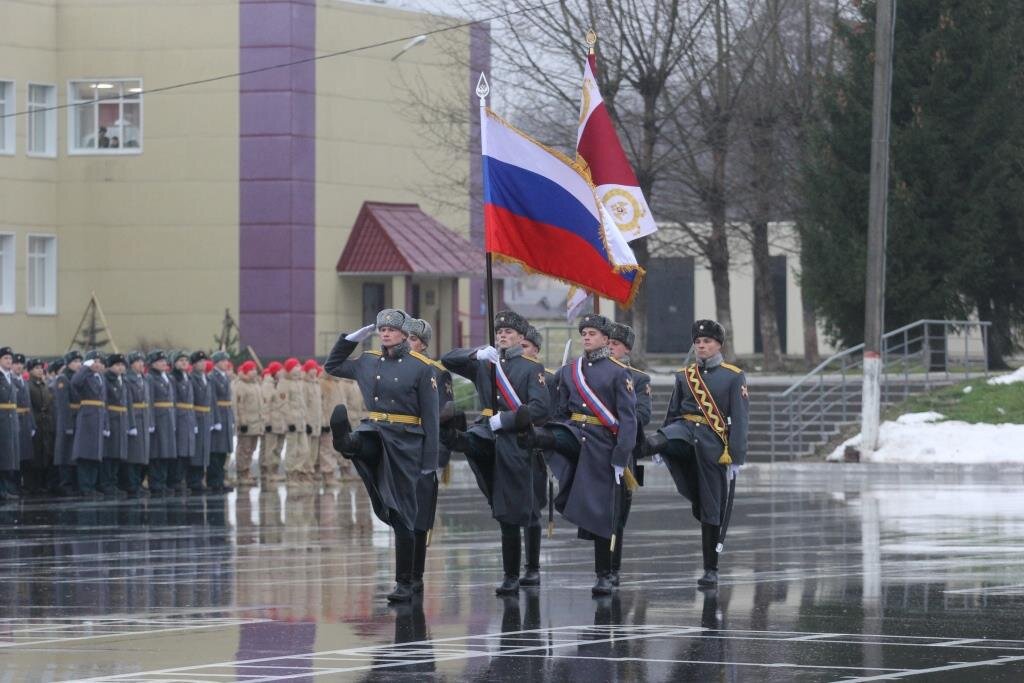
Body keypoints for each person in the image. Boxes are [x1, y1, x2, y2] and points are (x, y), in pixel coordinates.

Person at [324, 308, 439, 603]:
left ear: (404, 334)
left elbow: (432, 420)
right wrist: (350, 339)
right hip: (376, 431)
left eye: (391, 329)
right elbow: (333, 366)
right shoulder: (368, 361)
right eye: (381, 329)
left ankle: (406, 581)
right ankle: (345, 441)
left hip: (406, 443)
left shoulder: (421, 367)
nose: (385, 333)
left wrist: (429, 464)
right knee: (363, 439)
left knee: (403, 515)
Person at [519, 314, 638, 596]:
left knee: (601, 513)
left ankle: (604, 574)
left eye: (593, 333)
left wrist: (621, 457)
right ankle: (534, 438)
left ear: (606, 340)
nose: (586, 337)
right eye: (584, 332)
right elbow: (559, 410)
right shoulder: (571, 371)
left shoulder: (619, 372)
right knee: (553, 436)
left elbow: (629, 420)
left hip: (603, 446)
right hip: (574, 436)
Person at [441, 310, 551, 595]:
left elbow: (540, 408)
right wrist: (475, 354)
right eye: (499, 332)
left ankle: (515, 574)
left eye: (509, 332)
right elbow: (447, 359)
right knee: (473, 440)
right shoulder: (485, 363)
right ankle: (454, 437)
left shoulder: (530, 368)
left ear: (520, 337)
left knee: (510, 510)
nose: (502, 335)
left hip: (514, 440)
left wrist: (507, 419)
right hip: (486, 432)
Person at [641, 319, 749, 586]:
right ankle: (644, 445)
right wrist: (661, 440)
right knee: (669, 437)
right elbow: (673, 411)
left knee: (711, 507)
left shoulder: (733, 376)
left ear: (718, 345)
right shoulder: (684, 375)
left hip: (713, 444)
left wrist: (736, 455)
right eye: (698, 342)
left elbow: (741, 419)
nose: (702, 346)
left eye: (707, 342)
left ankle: (711, 569)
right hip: (684, 431)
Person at [405, 318, 454, 594]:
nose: (407, 343)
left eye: (412, 339)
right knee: (403, 513)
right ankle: (404, 571)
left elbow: (446, 410)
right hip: (402, 447)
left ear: (423, 344)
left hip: (425, 446)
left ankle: (416, 574)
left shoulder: (436, 371)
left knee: (421, 514)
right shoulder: (396, 367)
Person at [605, 322, 652, 587]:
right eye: (608, 343)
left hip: (623, 452)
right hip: (596, 450)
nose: (610, 347)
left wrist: (617, 413)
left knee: (618, 514)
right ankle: (602, 567)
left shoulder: (638, 378)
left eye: (615, 344)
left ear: (626, 349)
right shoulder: (589, 373)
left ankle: (613, 567)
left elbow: (643, 415)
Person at [521, 325, 557, 542]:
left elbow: (552, 414)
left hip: (536, 446)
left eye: (525, 346)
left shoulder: (549, 379)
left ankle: (531, 565)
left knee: (534, 503)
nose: (520, 349)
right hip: (511, 442)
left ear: (536, 350)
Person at [71, 351, 108, 498]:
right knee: (85, 454)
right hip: (87, 416)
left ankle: (91, 486)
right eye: (95, 361)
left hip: (99, 416)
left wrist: (106, 423)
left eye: (100, 361)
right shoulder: (85, 376)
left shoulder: (101, 378)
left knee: (95, 454)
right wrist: (85, 368)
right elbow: (75, 382)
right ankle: (85, 487)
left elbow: (104, 401)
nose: (98, 364)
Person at [319, 372, 366, 482]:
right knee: (328, 448)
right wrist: (324, 421)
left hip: (342, 421)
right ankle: (328, 474)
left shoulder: (339, 384)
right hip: (328, 420)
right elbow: (321, 405)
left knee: (344, 446)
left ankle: (345, 471)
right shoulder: (323, 384)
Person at [146, 350, 176, 496]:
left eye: (164, 361)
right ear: (153, 364)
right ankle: (156, 483)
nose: (164, 363)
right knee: (157, 452)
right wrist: (151, 421)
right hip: (158, 417)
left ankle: (162, 482)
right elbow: (149, 400)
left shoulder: (167, 377)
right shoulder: (151, 378)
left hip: (168, 417)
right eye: (160, 361)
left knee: (166, 452)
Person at [52, 350, 82, 496]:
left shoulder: (79, 378)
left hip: (79, 419)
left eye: (79, 361)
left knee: (75, 453)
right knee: (65, 452)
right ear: (68, 363)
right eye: (75, 361)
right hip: (68, 419)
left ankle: (75, 483)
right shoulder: (63, 379)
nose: (78, 364)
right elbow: (63, 404)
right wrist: (68, 424)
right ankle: (65, 484)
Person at [101, 353, 130, 498]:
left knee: (118, 454)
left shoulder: (122, 380)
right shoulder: (106, 380)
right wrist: (105, 423)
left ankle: (113, 482)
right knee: (109, 454)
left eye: (122, 365)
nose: (120, 367)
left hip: (121, 419)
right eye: (117, 365)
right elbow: (104, 403)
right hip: (112, 420)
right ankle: (107, 484)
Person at [123, 351, 151, 497]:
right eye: (138, 361)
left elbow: (148, 403)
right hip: (134, 418)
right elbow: (127, 403)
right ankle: (132, 484)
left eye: (142, 361)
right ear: (131, 364)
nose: (141, 364)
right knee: (133, 455)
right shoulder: (128, 379)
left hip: (144, 418)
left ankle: (138, 482)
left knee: (142, 454)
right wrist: (130, 424)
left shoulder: (143, 379)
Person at [169, 351, 197, 494]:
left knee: (187, 451)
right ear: (174, 363)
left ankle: (181, 479)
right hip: (179, 416)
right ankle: (175, 480)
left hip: (188, 416)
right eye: (180, 360)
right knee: (179, 451)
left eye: (186, 360)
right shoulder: (173, 378)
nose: (184, 362)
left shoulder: (187, 377)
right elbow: (172, 400)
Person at [26, 358, 54, 495]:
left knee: (45, 452)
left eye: (40, 367)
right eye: (36, 367)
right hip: (36, 421)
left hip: (45, 422)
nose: (39, 370)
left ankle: (43, 483)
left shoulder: (44, 384)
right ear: (30, 370)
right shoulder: (29, 385)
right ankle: (33, 485)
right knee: (35, 453)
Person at [233, 360, 263, 488]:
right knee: (243, 449)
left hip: (256, 423)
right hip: (247, 423)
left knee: (251, 449)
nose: (254, 372)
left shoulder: (256, 384)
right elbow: (239, 406)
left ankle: (247, 470)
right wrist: (241, 422)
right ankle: (242, 472)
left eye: (255, 369)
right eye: (251, 369)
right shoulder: (240, 385)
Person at [208, 351, 235, 493]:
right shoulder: (212, 377)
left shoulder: (225, 377)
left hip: (226, 415)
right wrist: (215, 420)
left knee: (223, 451)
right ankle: (214, 481)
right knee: (216, 451)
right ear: (217, 362)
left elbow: (229, 401)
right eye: (224, 361)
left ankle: (220, 479)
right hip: (218, 415)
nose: (226, 363)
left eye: (227, 360)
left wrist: (231, 418)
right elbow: (212, 400)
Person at [281, 358, 310, 485]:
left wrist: (306, 420)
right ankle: (290, 475)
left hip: (301, 421)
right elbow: (283, 404)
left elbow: (303, 404)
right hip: (292, 422)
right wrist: (289, 421)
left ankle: (298, 471)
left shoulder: (299, 383)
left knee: (304, 450)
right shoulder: (284, 383)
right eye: (295, 369)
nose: (298, 372)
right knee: (292, 450)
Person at [188, 351, 213, 494]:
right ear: (194, 364)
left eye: (204, 361)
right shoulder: (192, 378)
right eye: (200, 362)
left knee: (203, 450)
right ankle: (193, 480)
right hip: (196, 416)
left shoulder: (206, 378)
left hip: (206, 415)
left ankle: (199, 479)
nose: (203, 364)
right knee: (196, 450)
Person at [12, 354, 35, 496]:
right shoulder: (10, 381)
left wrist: (32, 424)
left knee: (25, 456)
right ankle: (14, 485)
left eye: (21, 364)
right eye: (16, 363)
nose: (19, 366)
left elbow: (29, 405)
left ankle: (23, 485)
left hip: (26, 421)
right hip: (15, 419)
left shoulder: (24, 382)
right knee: (15, 455)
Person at [260, 362, 286, 484]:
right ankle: (269, 472)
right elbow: (265, 405)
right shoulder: (268, 385)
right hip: (272, 422)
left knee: (278, 448)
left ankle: (274, 470)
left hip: (281, 422)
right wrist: (267, 422)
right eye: (280, 370)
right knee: (270, 448)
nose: (282, 372)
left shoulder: (281, 384)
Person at [0, 347, 21, 501]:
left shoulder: (10, 377)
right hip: (1, 419)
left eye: (10, 358)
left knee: (9, 457)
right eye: (5, 358)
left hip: (11, 419)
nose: (9, 361)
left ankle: (7, 489)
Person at [301, 360, 323, 485]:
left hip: (317, 421)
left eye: (315, 368)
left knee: (314, 449)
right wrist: (306, 422)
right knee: (306, 449)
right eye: (311, 369)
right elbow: (303, 405)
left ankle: (311, 471)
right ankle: (305, 472)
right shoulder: (304, 385)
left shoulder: (316, 384)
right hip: (308, 422)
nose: (314, 371)